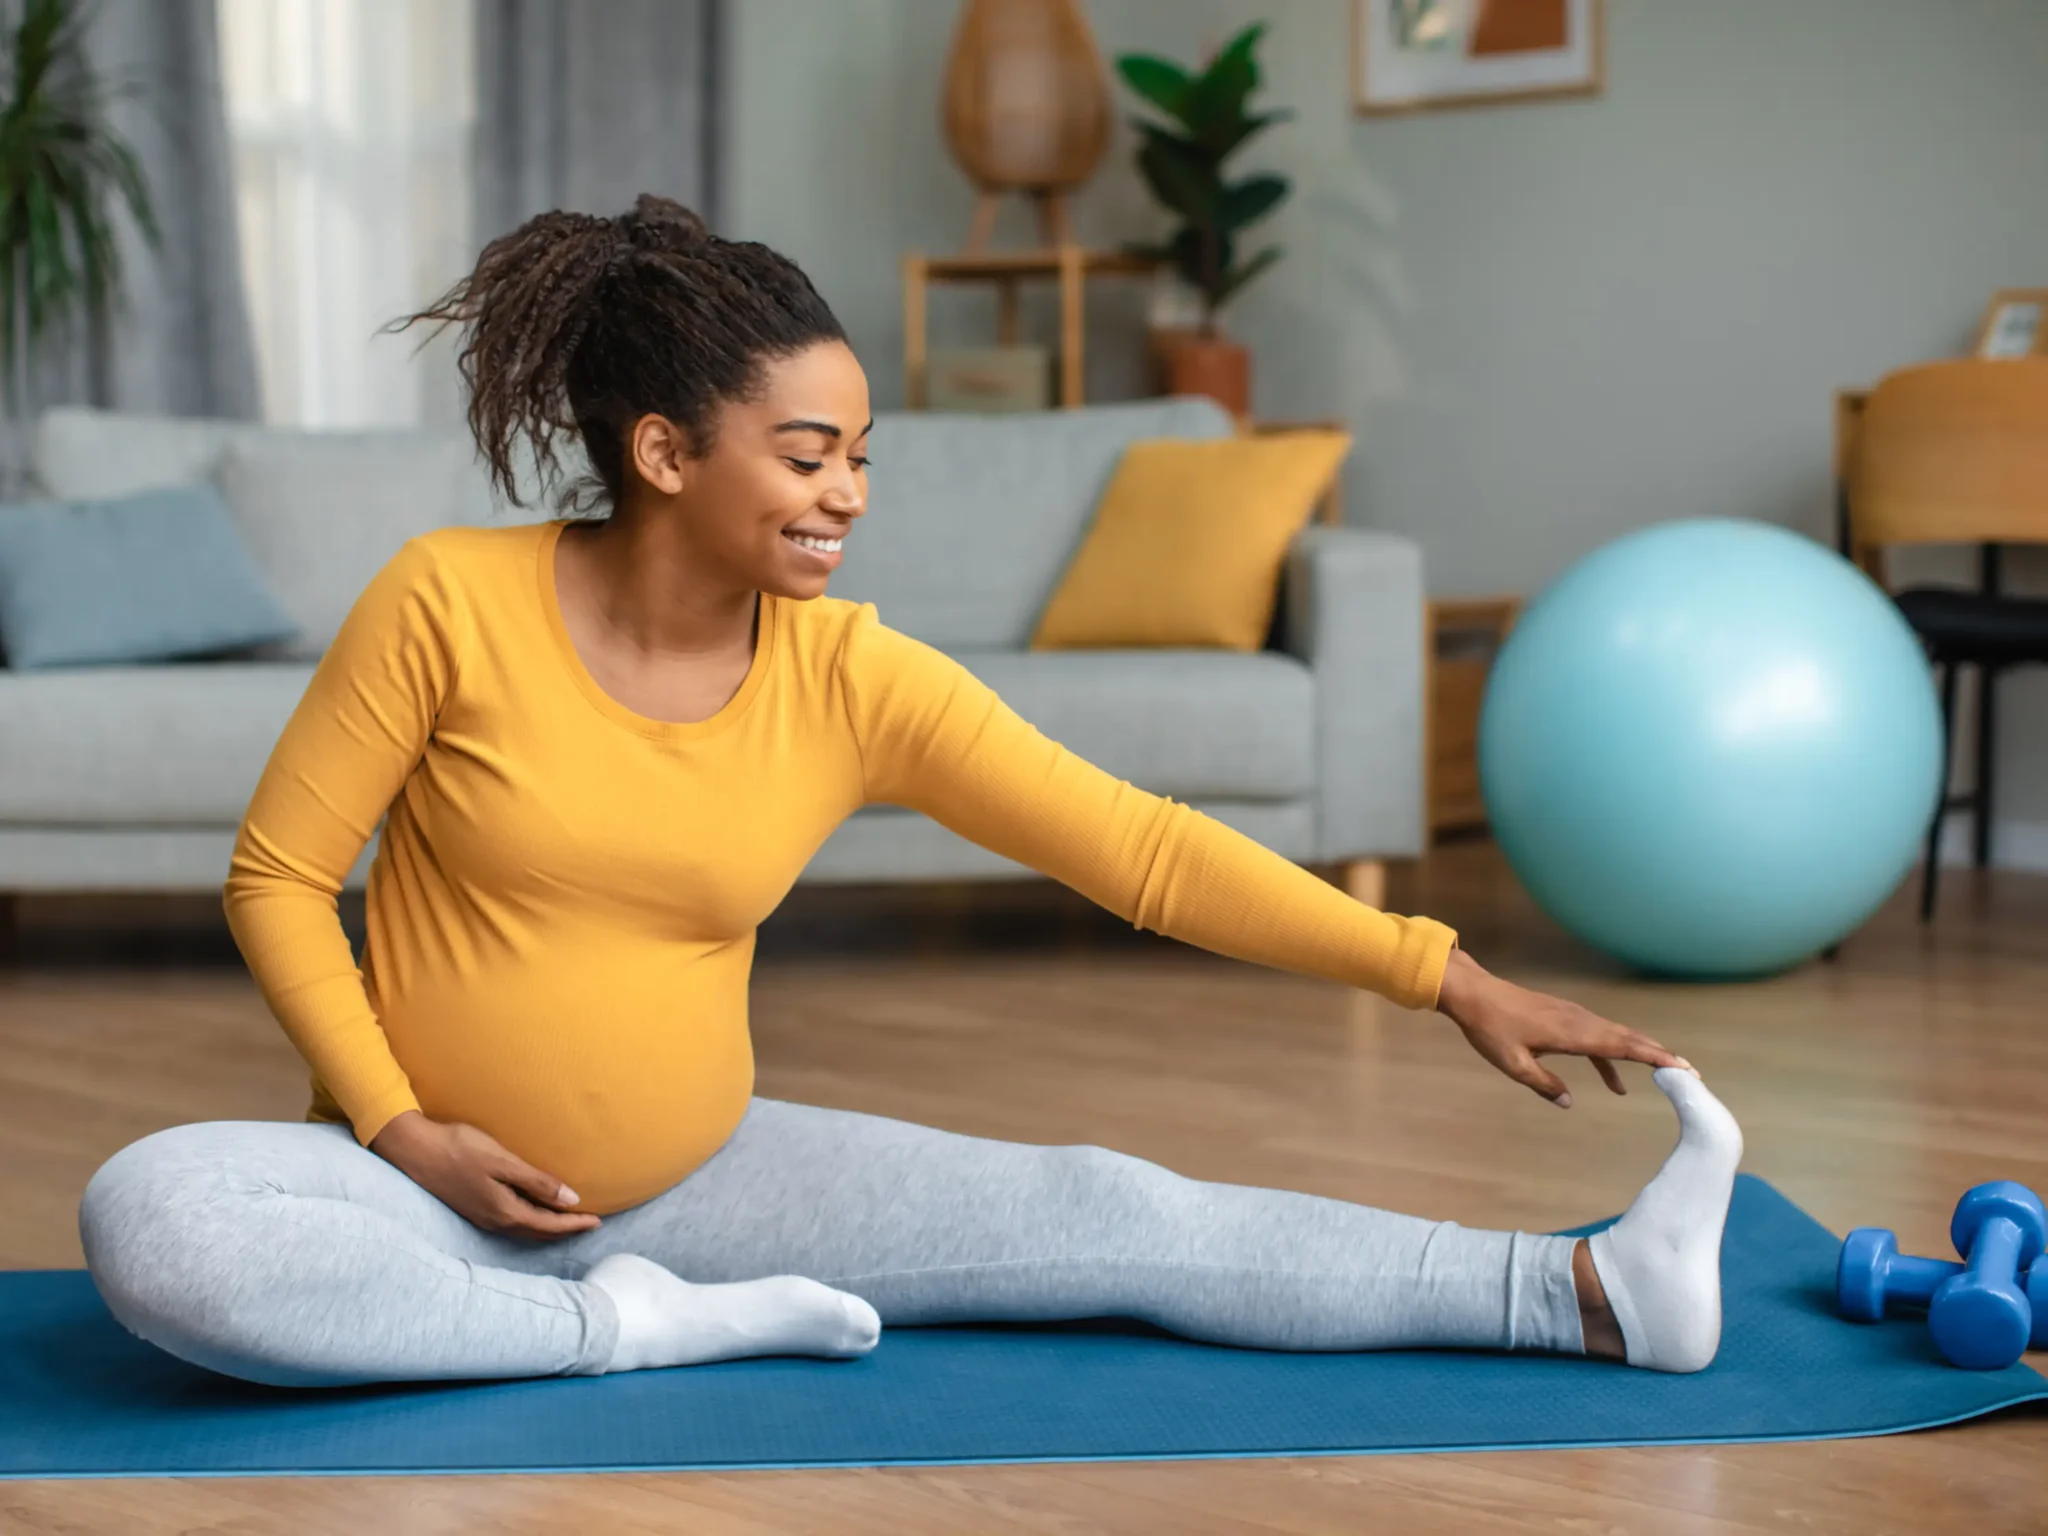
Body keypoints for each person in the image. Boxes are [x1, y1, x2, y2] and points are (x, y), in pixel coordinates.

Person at [79, 197, 1742, 1389]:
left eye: (861, 455)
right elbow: (280, 879)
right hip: (406, 1198)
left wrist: (1443, 972)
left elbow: (1142, 853)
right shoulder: (447, 600)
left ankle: (1584, 1290)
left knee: (1109, 1212)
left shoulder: (851, 675)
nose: (848, 495)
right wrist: (402, 1129)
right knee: (153, 1219)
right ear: (666, 454)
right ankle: (627, 1332)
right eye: (809, 457)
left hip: (708, 1180)